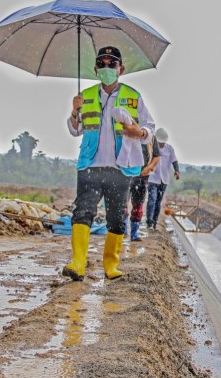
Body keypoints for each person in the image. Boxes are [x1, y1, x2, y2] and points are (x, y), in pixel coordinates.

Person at [63, 46, 155, 281]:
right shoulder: (87, 96)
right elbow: (75, 130)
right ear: (95, 69)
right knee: (83, 211)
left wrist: (139, 131)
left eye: (111, 64)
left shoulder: (133, 97)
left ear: (120, 69)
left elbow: (150, 128)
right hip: (90, 165)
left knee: (116, 216)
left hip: (120, 167)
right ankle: (78, 263)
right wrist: (74, 112)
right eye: (101, 64)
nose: (106, 68)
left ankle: (111, 265)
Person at [125, 136, 161, 241]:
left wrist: (149, 168)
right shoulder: (127, 131)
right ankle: (122, 230)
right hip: (125, 174)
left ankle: (134, 233)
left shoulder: (151, 137)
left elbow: (156, 156)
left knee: (138, 205)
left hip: (142, 176)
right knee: (122, 204)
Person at [146, 128, 180, 230]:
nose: (161, 144)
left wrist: (177, 171)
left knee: (158, 202)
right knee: (152, 200)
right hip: (153, 178)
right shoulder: (151, 147)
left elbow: (174, 161)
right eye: (159, 142)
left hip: (164, 180)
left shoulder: (169, 149)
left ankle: (155, 222)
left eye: (162, 142)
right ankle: (149, 222)